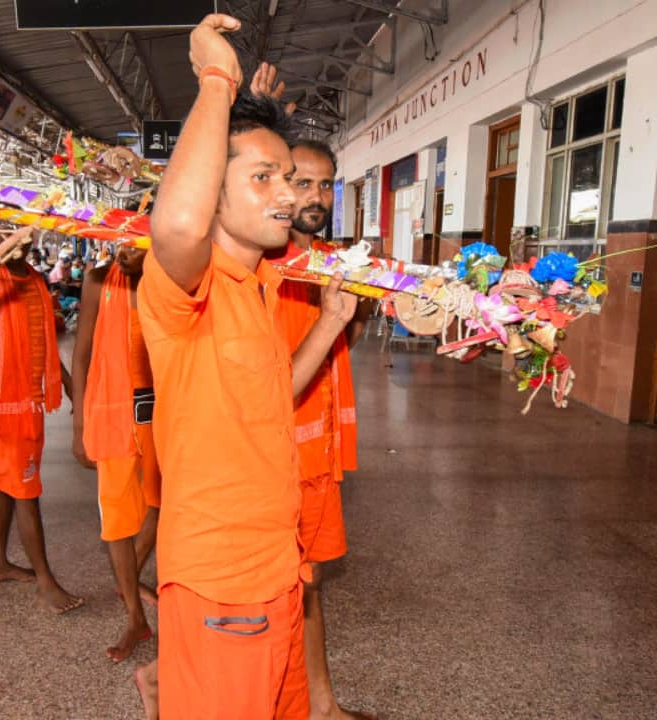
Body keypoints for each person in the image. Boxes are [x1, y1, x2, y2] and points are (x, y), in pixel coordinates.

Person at [135, 14, 356, 720]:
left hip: (277, 572)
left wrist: (328, 325)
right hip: (225, 586)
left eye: (288, 178)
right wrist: (216, 79)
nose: (288, 196)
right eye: (262, 178)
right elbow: (176, 226)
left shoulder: (259, 286)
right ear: (213, 192)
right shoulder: (182, 292)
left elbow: (270, 398)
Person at [272, 138, 370, 720]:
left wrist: (363, 309)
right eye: (302, 182)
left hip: (319, 446)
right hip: (275, 447)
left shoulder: (334, 259)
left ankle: (321, 703)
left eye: (325, 183)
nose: (315, 196)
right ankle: (320, 706)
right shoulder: (263, 259)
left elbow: (340, 347)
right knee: (280, 585)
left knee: (303, 583)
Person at [0, 244, 84, 614]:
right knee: (26, 490)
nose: (17, 243)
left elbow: (43, 339)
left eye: (22, 235)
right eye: (8, 235)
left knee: (7, 486)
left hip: (28, 395)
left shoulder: (35, 279)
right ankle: (45, 581)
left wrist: (68, 383)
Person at [71, 243, 160, 663]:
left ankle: (135, 578)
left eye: (136, 241)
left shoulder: (175, 273)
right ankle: (134, 615)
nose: (125, 250)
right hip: (113, 411)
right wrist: (78, 427)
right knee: (118, 522)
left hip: (168, 410)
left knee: (165, 506)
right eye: (118, 242)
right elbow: (82, 354)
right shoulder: (96, 280)